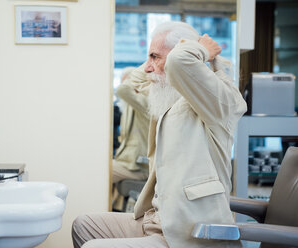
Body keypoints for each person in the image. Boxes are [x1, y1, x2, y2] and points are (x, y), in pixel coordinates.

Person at [72, 21, 247, 248]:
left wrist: (200, 48)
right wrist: (154, 58)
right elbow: (130, 84)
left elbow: (178, 62)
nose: (147, 67)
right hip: (155, 220)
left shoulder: (218, 103)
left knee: (94, 247)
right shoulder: (172, 100)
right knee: (83, 225)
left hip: (186, 233)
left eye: (155, 57)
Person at [113, 67, 150, 184]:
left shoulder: (145, 103)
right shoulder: (129, 107)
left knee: (102, 170)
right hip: (127, 162)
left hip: (140, 166)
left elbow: (122, 90)